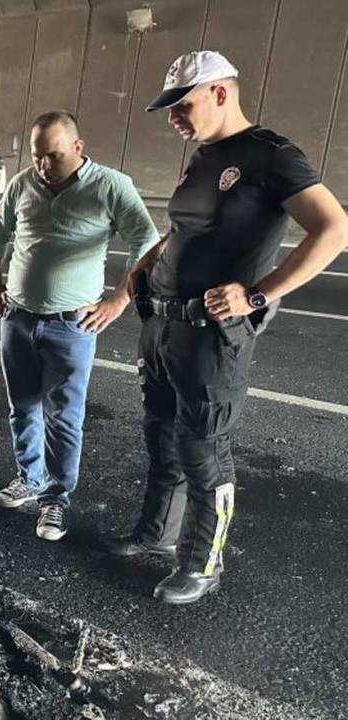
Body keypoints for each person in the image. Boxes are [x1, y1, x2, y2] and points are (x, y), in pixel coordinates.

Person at [103, 51, 348, 604]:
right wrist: (143, 268)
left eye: (182, 104)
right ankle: (157, 535)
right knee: (162, 437)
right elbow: (183, 231)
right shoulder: (203, 158)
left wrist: (258, 294)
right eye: (169, 108)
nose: (173, 117)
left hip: (213, 336)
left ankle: (202, 564)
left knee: (203, 449)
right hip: (164, 324)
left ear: (219, 92)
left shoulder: (271, 155)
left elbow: (334, 229)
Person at [0, 111, 160, 542]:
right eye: (38, 156)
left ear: (78, 148)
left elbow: (148, 244)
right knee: (23, 406)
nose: (44, 166)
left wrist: (119, 299)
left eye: (54, 156)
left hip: (71, 326)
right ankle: (30, 477)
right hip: (18, 318)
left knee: (63, 418)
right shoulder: (22, 184)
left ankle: (56, 499)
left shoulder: (110, 186)